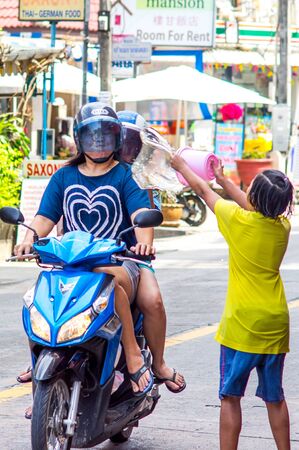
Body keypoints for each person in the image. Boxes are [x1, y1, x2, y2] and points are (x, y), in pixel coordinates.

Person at [15, 104, 155, 406]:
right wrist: (28, 238)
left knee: (109, 284)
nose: (99, 141)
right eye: (92, 135)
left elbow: (142, 213)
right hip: (69, 264)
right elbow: (43, 217)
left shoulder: (126, 176)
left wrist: (143, 243)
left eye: (106, 135)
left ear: (117, 139)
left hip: (117, 262)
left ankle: (131, 354)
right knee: (36, 297)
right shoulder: (63, 177)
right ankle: (42, 373)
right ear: (80, 139)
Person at [171, 153, 293, 450]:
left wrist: (182, 166)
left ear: (255, 197)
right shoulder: (282, 228)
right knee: (274, 397)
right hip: (275, 324)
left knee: (230, 396)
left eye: (250, 187)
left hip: (242, 325)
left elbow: (203, 191)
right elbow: (255, 205)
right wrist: (224, 179)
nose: (246, 190)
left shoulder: (237, 221)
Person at [117, 110, 186, 392]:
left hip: (130, 256)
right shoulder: (79, 171)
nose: (125, 149)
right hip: (84, 258)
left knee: (153, 301)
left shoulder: (141, 178)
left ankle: (157, 363)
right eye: (121, 141)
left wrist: (143, 244)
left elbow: (146, 218)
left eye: (132, 143)